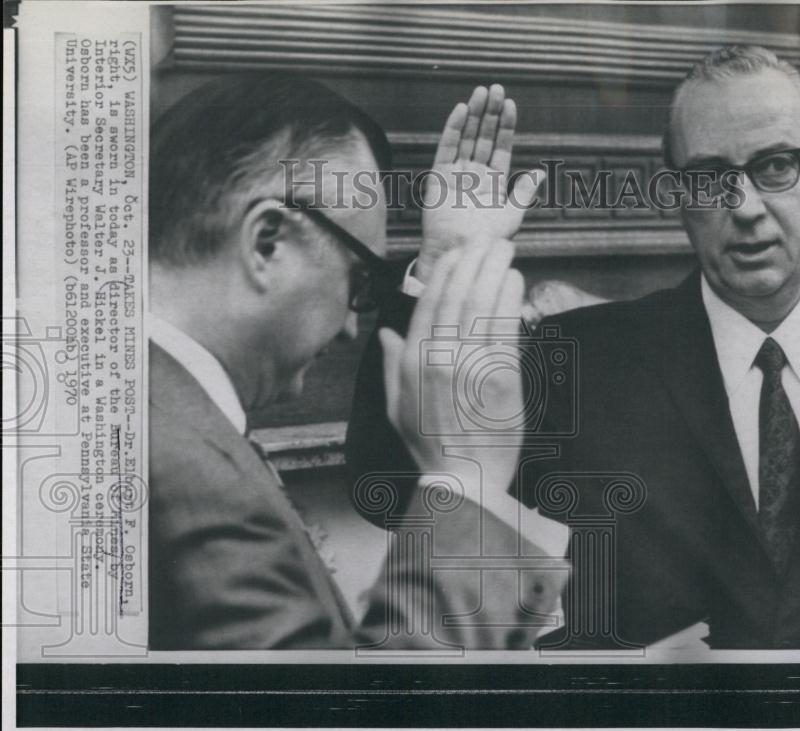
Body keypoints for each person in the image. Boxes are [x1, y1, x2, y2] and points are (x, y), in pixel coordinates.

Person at [347, 45, 800, 650]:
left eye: (776, 165)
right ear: (677, 195)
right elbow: (389, 482)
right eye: (710, 179)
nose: (747, 208)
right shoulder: (587, 360)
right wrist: (449, 261)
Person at [148, 74, 567, 649]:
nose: (350, 328)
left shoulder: (149, 408)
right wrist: (469, 482)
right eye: (357, 280)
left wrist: (448, 261)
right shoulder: (189, 478)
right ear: (267, 242)